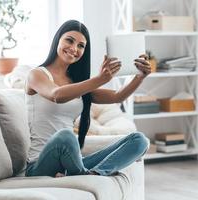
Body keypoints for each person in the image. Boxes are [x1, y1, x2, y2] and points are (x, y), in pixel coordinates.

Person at [25, 20, 151, 177]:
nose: (74, 48)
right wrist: (99, 79)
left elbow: (118, 96)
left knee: (139, 140)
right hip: (39, 165)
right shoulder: (37, 74)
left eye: (80, 46)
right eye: (69, 40)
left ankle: (94, 175)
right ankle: (82, 175)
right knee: (66, 136)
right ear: (58, 39)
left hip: (70, 163)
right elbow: (56, 95)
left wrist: (140, 77)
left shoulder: (76, 83)